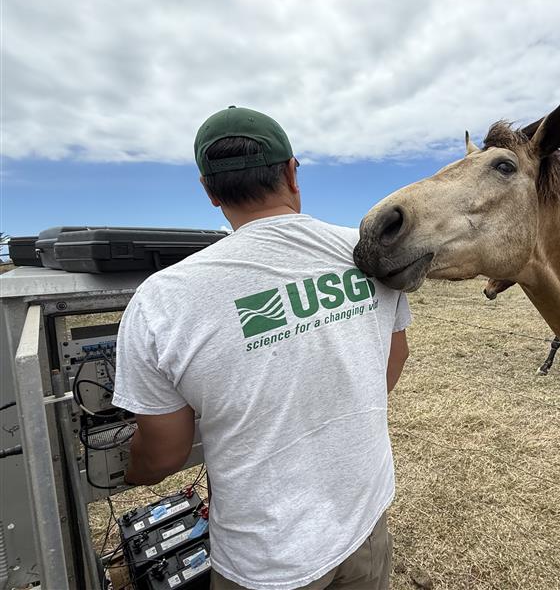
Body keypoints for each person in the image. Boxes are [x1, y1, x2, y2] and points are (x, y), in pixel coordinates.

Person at [112, 105, 411, 590]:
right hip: (366, 522)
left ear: (209, 191)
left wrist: (132, 473)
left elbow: (165, 454)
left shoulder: (161, 299)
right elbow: (390, 366)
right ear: (292, 172)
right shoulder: (367, 250)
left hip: (266, 561)